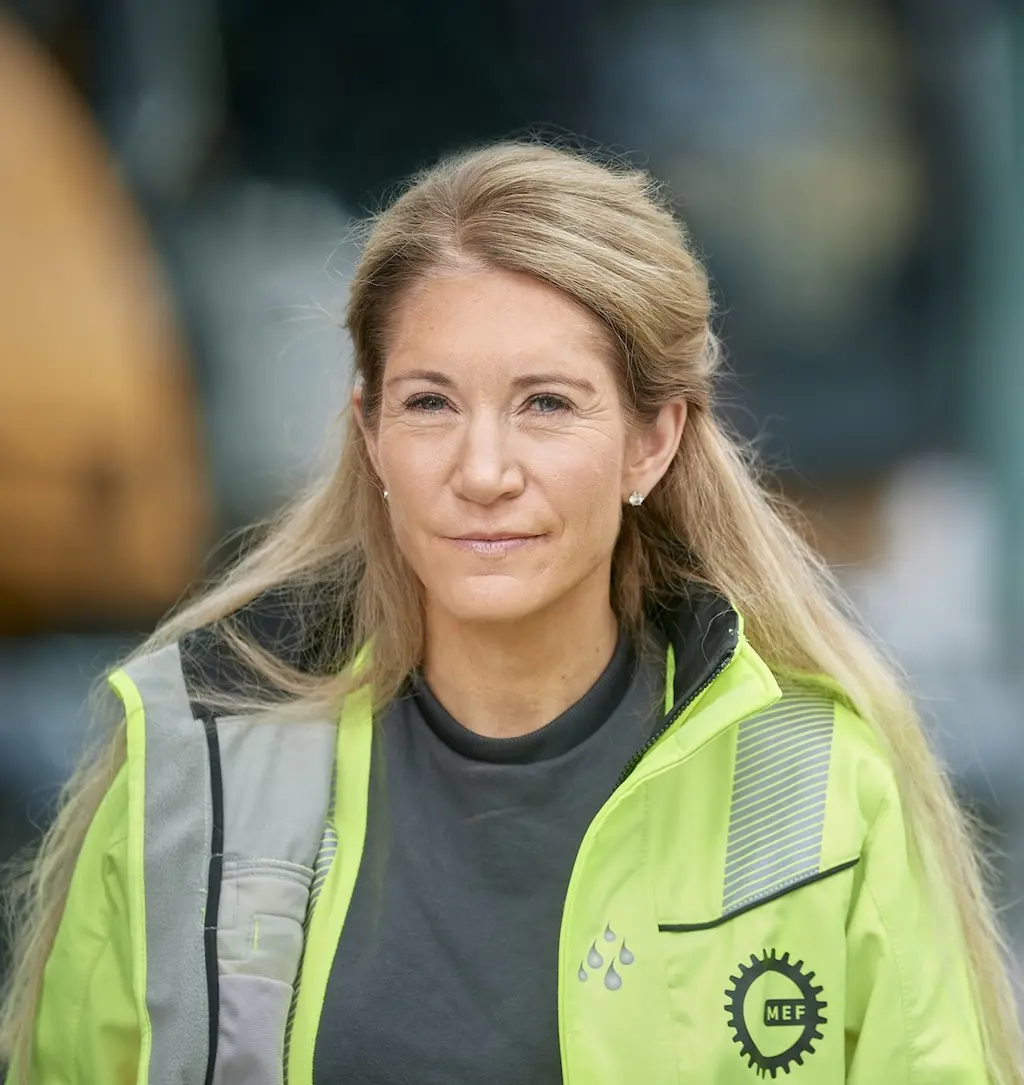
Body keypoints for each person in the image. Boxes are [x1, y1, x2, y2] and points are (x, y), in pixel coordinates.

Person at [1, 142, 1021, 1085]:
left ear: (652, 440)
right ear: (370, 433)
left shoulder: (818, 780)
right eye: (430, 403)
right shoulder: (201, 761)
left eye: (546, 403)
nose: (482, 471)